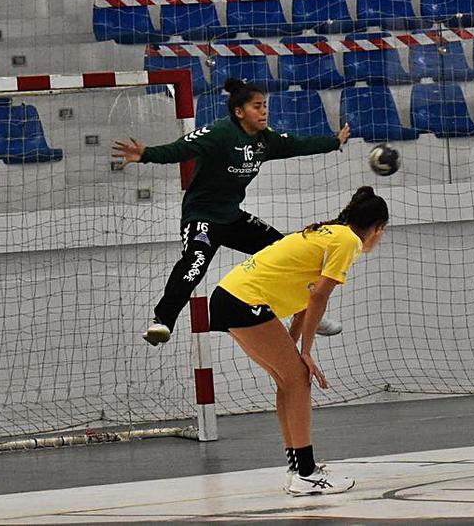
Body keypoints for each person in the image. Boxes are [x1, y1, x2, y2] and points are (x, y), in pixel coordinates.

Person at [112, 78, 351, 345]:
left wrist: (334, 142)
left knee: (287, 251)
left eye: (265, 106)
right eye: (257, 106)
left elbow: (297, 144)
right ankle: (162, 322)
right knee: (195, 264)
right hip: (202, 216)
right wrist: (146, 154)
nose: (264, 111)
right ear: (239, 111)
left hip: (232, 217)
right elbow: (181, 149)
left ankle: (305, 313)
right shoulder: (219, 133)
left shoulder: (265, 140)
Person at [210, 186, 387, 495]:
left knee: (288, 379)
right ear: (377, 229)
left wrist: (295, 346)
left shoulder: (329, 233)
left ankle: (298, 467)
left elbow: (305, 303)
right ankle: (306, 473)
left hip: (230, 297)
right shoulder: (349, 242)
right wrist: (305, 352)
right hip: (244, 300)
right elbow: (319, 296)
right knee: (298, 378)